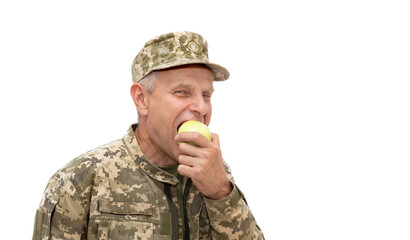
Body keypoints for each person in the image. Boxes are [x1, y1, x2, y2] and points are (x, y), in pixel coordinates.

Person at [32, 31, 264, 240]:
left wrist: (221, 194)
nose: (201, 107)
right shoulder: (79, 180)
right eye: (182, 92)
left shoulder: (215, 173)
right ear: (141, 99)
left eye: (206, 95)